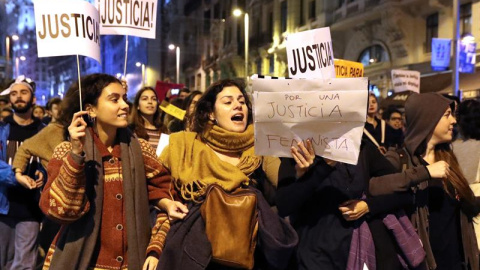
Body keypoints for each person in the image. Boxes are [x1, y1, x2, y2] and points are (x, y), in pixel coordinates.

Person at [39, 73, 185, 270]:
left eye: (124, 98)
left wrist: (156, 246)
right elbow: (61, 211)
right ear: (90, 109)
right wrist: (76, 155)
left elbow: (164, 193)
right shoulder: (66, 151)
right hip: (84, 263)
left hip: (134, 262)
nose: (125, 105)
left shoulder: (140, 149)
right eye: (114, 99)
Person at [155, 79, 295, 270]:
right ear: (211, 114)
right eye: (228, 102)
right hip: (195, 256)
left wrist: (291, 152)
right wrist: (167, 203)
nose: (238, 105)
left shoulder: (260, 146)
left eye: (242, 101)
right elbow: (155, 184)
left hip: (248, 256)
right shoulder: (183, 144)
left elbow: (285, 186)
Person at [369, 93, 480, 270]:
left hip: (456, 260)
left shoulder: (448, 157)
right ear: (428, 119)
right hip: (422, 262)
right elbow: (374, 186)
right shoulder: (399, 159)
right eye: (447, 115)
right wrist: (425, 172)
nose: (453, 121)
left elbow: (467, 205)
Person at [0, 76, 45, 270]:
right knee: (4, 261)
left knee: (25, 264)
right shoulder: (2, 129)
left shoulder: (43, 131)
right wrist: (16, 176)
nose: (18, 97)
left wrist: (44, 172)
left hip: (31, 207)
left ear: (33, 99)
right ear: (9, 100)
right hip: (3, 206)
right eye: (14, 94)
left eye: (23, 92)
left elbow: (52, 159)